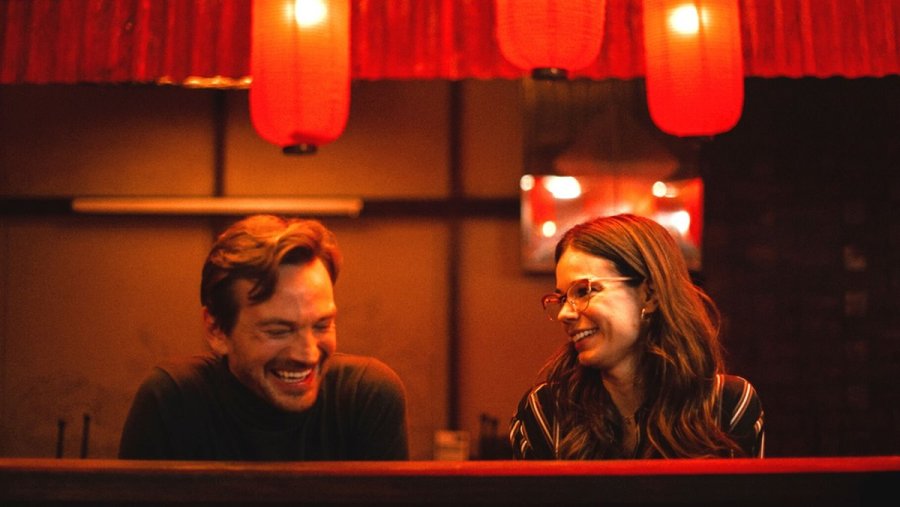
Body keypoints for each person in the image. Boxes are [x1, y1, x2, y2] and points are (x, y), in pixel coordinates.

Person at [119, 214, 409, 460]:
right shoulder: (174, 402)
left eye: (322, 325)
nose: (308, 354)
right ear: (216, 330)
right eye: (278, 331)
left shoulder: (365, 398)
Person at [509, 214, 764, 459]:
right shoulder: (546, 413)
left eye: (583, 291)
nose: (565, 313)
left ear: (649, 296)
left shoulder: (728, 406)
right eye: (563, 298)